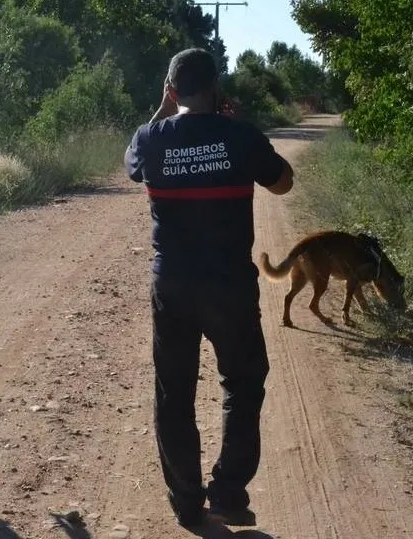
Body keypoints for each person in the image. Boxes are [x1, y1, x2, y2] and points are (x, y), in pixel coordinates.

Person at [124, 49, 294, 529]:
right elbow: (283, 184)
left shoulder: (150, 138)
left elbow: (131, 165)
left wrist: (163, 110)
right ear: (217, 87)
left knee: (173, 392)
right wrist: (237, 134)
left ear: (172, 89)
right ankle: (227, 492)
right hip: (230, 287)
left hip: (173, 285)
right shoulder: (240, 135)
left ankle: (185, 500)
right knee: (242, 385)